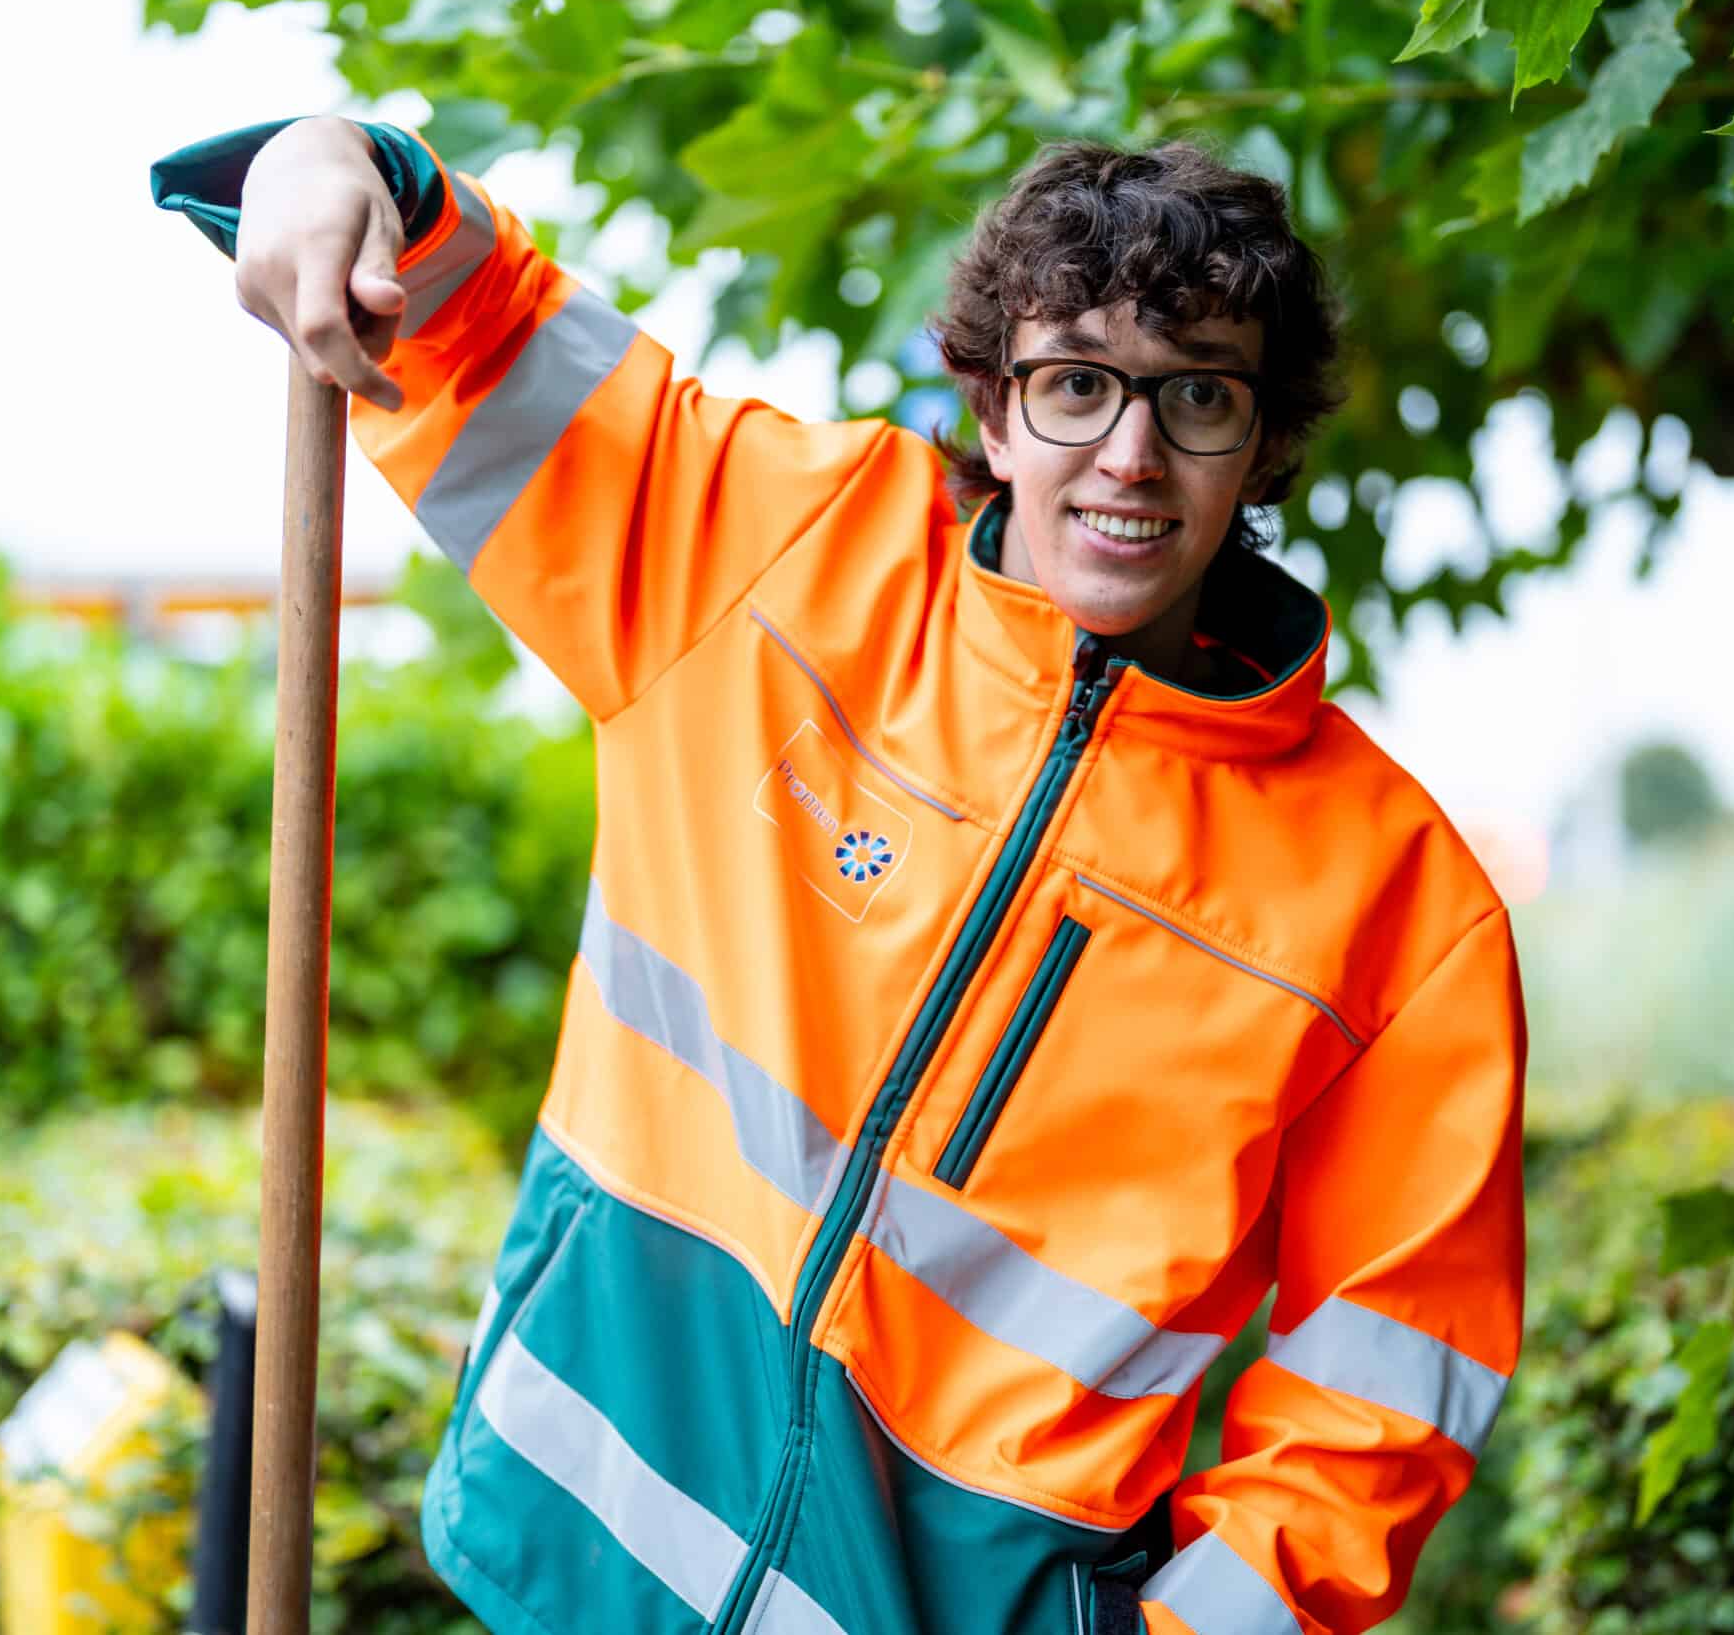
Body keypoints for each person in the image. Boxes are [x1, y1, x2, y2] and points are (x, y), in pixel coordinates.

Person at [151, 112, 1526, 1635]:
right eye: (1076, 383)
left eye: (1195, 395)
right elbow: (480, 335)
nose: (1128, 455)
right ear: (994, 412)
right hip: (567, 1563)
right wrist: (335, 164)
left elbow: (1383, 1390)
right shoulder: (782, 556)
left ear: (1262, 442)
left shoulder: (1400, 908)